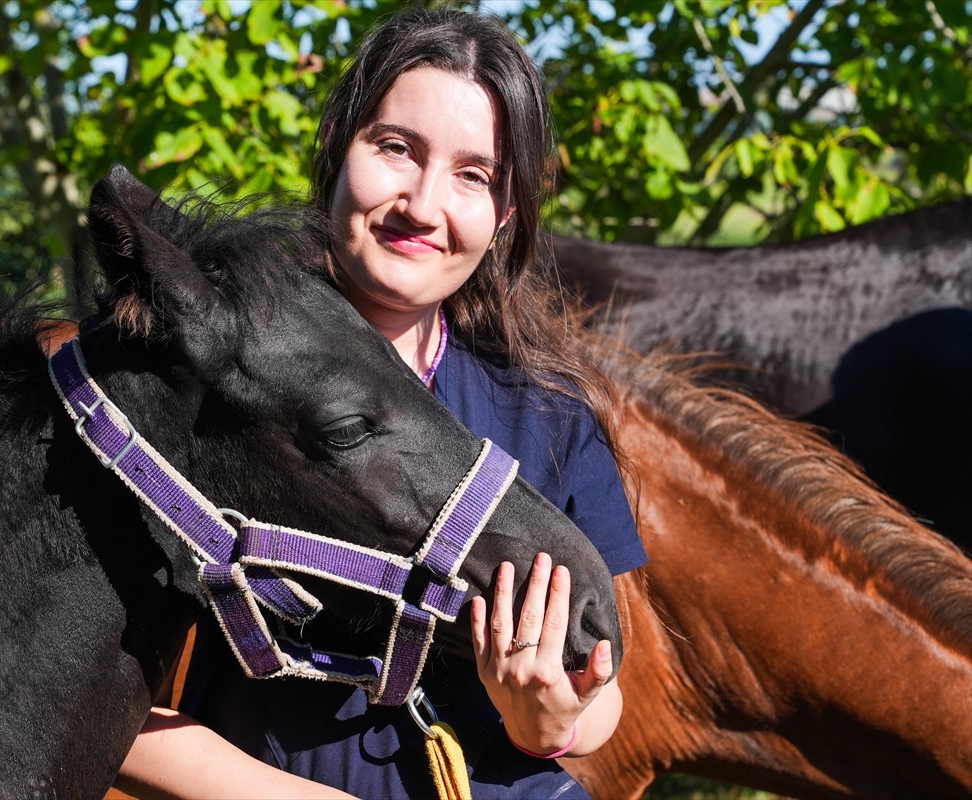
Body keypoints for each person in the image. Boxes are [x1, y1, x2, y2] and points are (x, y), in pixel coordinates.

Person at [114, 8, 647, 799]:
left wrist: (548, 720)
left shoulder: (549, 417)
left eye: (473, 176)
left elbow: (603, 692)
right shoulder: (200, 369)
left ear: (504, 214)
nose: (423, 205)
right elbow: (65, 681)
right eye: (396, 148)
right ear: (336, 150)